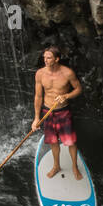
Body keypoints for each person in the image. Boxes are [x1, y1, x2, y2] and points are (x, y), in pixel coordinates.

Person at [32, 42, 83, 180]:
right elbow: (38, 96)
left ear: (56, 59)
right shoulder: (40, 74)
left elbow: (78, 89)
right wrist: (36, 118)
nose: (45, 60)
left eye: (48, 58)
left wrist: (66, 96)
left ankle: (74, 166)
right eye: (44, 57)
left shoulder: (67, 73)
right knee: (53, 141)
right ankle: (56, 166)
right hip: (47, 112)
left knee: (70, 142)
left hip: (63, 112)